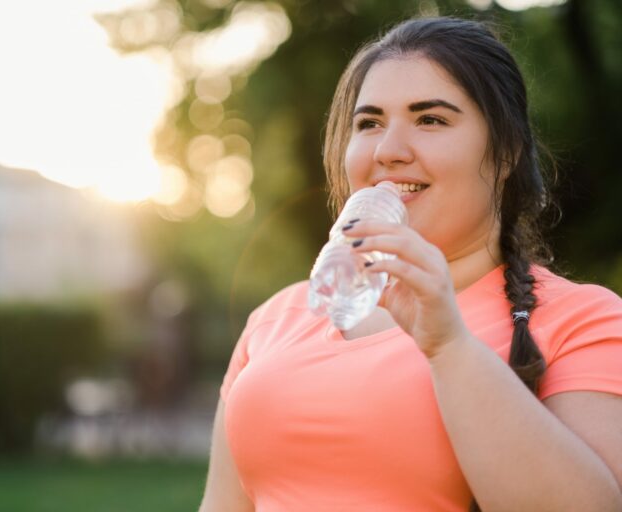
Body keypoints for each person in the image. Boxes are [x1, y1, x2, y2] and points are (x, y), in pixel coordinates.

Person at [199, 16, 622, 512]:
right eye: (369, 123)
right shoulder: (275, 319)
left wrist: (449, 347)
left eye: (431, 120)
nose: (388, 151)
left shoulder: (581, 320)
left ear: (506, 152)